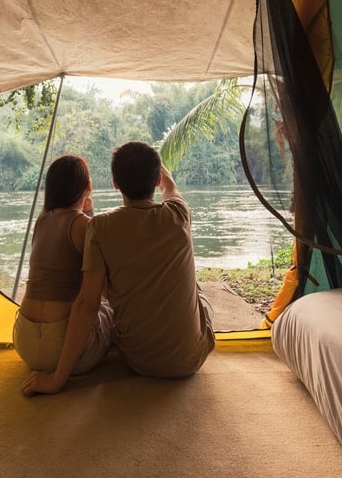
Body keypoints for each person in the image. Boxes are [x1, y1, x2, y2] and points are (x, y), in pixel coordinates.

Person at [21, 141, 215, 396]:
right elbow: (171, 187)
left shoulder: (99, 227)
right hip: (189, 360)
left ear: (115, 183)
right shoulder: (178, 213)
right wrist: (162, 173)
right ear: (156, 178)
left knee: (109, 291)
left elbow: (87, 302)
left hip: (137, 361)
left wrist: (57, 379)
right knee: (197, 291)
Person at [12, 154, 114, 375]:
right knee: (107, 300)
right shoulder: (85, 226)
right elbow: (93, 298)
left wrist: (87, 212)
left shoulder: (42, 220)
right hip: (59, 348)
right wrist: (59, 378)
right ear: (89, 186)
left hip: (24, 340)